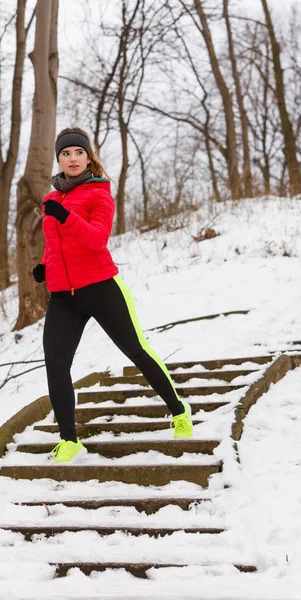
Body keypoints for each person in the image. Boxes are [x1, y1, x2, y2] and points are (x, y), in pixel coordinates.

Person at [32, 127, 193, 464]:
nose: (72, 159)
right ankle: (69, 440)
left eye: (78, 152)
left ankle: (179, 411)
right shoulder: (51, 200)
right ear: (58, 160)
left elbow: (96, 239)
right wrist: (45, 267)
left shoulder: (99, 193)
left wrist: (68, 217)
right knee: (56, 365)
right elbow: (54, 244)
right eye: (65, 154)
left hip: (101, 286)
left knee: (136, 349)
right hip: (63, 295)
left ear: (88, 157)